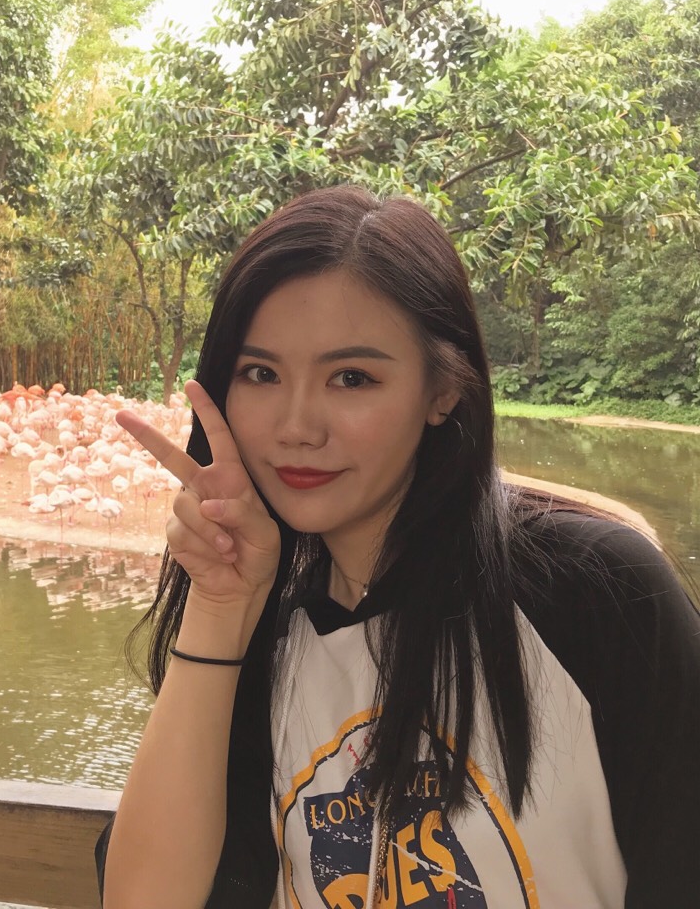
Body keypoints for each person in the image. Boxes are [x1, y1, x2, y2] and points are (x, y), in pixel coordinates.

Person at [96, 186, 700, 909]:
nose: (297, 427)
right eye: (262, 374)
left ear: (442, 389)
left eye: (351, 378)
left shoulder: (596, 596)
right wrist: (220, 607)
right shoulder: (264, 637)